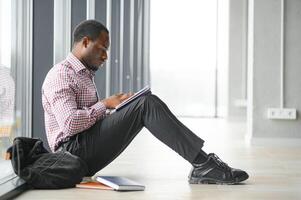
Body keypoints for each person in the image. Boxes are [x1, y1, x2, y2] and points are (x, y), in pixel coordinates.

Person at [42, 19, 249, 185]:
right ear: (85, 42)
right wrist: (105, 104)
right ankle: (203, 163)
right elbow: (69, 125)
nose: (105, 56)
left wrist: (119, 111)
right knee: (145, 104)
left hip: (82, 149)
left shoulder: (84, 75)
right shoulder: (61, 75)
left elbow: (87, 120)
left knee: (143, 102)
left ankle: (203, 162)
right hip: (70, 154)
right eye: (102, 48)